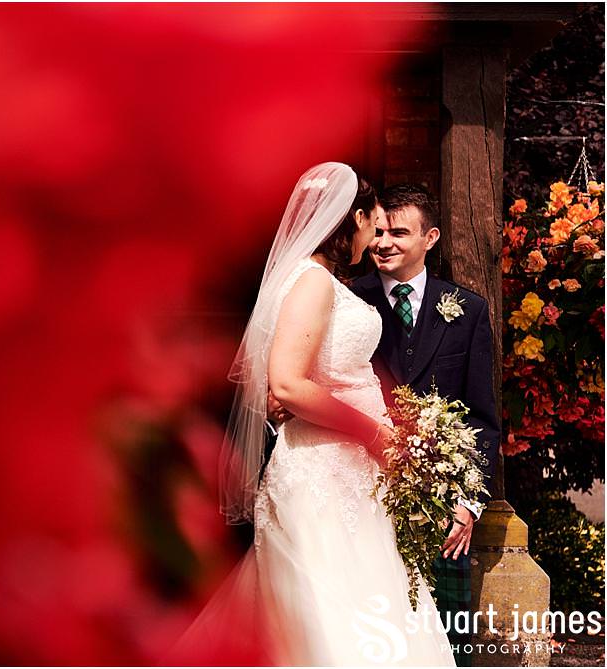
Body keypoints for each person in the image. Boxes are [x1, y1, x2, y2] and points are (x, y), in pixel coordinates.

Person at [170, 163, 455, 666]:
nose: (376, 235)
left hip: (346, 472)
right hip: (324, 470)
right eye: (374, 222)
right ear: (357, 217)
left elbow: (308, 377)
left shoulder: (316, 278)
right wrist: (373, 433)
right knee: (329, 608)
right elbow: (286, 382)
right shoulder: (313, 282)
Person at [349, 184, 500, 666]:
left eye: (399, 231)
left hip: (440, 505)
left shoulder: (469, 310)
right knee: (363, 627)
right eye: (378, 231)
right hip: (358, 487)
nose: (384, 242)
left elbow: (482, 418)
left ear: (430, 238)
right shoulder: (346, 303)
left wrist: (468, 503)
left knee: (442, 636)